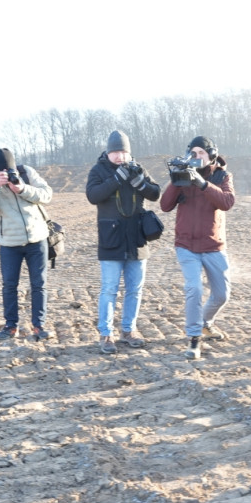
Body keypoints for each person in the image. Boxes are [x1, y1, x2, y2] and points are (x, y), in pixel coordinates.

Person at [159, 136, 235, 360]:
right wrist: (177, 177)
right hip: (186, 245)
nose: (197, 157)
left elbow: (227, 202)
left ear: (211, 154)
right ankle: (194, 339)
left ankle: (205, 323)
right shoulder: (181, 175)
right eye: (193, 153)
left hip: (213, 245)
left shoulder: (222, 175)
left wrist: (202, 184)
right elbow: (165, 206)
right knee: (194, 289)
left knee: (222, 294)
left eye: (201, 153)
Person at [86, 130, 161, 354]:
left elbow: (155, 193)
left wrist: (141, 183)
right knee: (109, 289)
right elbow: (92, 196)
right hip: (111, 239)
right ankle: (106, 334)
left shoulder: (138, 168)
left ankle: (129, 330)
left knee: (134, 289)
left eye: (124, 152)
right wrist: (116, 179)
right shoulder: (98, 170)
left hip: (137, 239)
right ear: (108, 152)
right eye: (116, 152)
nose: (120, 156)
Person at [0, 148, 54, 341]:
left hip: (37, 239)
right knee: (9, 286)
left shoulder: (26, 172)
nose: (4, 175)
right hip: (9, 242)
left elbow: (47, 195)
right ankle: (11, 326)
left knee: (39, 284)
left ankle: (39, 325)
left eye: (8, 172)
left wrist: (22, 188)